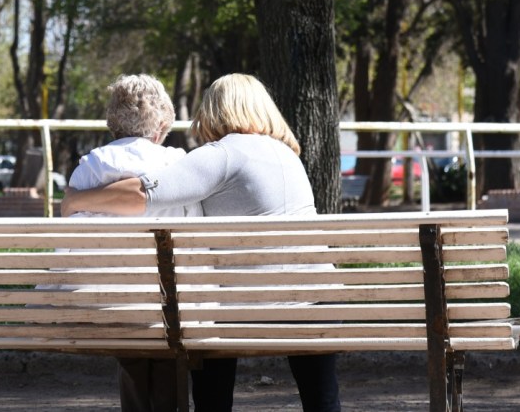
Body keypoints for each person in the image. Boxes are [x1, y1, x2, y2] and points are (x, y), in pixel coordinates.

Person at [62, 73, 341, 412]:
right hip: (318, 301)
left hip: (245, 310)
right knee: (322, 400)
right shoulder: (288, 154)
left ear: (215, 109)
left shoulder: (222, 155)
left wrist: (76, 200)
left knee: (207, 344)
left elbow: (141, 194)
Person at [66, 73, 201, 412]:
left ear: (113, 121)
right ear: (161, 125)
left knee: (132, 342)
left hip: (107, 301)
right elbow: (195, 237)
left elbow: (69, 245)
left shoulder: (90, 166)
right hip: (169, 302)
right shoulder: (177, 163)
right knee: (165, 338)